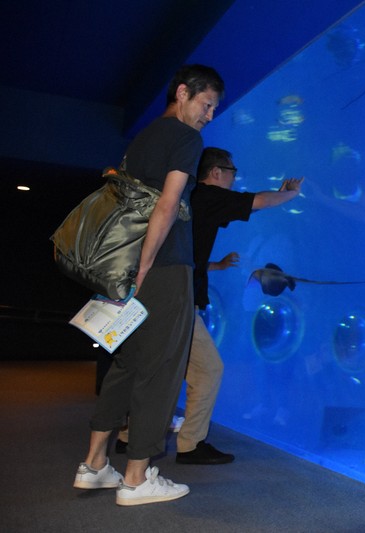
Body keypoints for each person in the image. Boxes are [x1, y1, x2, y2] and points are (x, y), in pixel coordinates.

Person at [72, 64, 225, 506]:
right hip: (162, 267)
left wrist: (130, 272)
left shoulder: (141, 139)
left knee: (127, 365)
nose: (209, 115)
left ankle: (94, 464)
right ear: (182, 93)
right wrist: (145, 267)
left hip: (126, 268)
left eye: (214, 108)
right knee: (161, 371)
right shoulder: (185, 139)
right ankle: (136, 478)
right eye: (206, 104)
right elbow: (167, 205)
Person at [175, 147, 303, 464]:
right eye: (232, 172)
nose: (235, 178)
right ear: (216, 172)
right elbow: (256, 201)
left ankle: (127, 436)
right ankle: (190, 445)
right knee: (208, 369)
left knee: (161, 368)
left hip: (169, 295)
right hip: (179, 302)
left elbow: (183, 251)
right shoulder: (208, 195)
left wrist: (215, 266)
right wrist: (288, 194)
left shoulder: (188, 197)